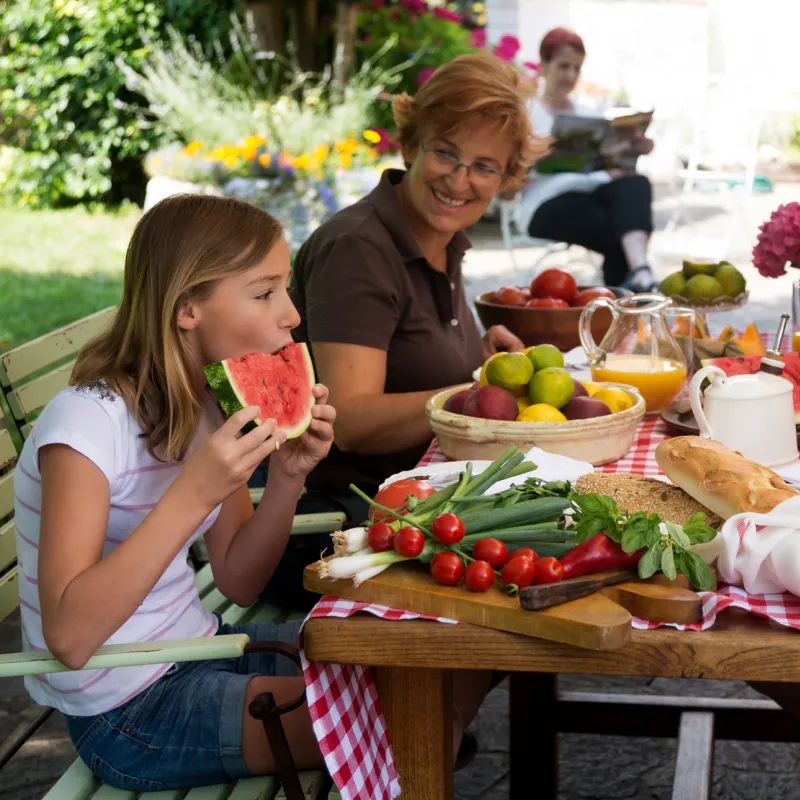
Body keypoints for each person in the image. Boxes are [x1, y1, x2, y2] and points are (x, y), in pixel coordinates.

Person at [13, 194, 337, 791]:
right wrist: (194, 493)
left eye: (283, 289)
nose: (291, 314)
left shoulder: (206, 405)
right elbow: (71, 637)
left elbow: (238, 579)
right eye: (264, 293)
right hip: (128, 712)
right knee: (378, 716)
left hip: (202, 650)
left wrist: (288, 477)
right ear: (187, 308)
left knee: (408, 664)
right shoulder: (85, 428)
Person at [288, 52, 549, 511]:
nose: (460, 179)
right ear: (411, 146)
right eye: (445, 152)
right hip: (363, 512)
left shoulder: (440, 237)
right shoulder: (357, 249)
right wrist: (479, 394)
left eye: (485, 166)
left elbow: (416, 358)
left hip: (442, 491)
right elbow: (349, 421)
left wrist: (484, 363)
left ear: (504, 178)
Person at [516, 27, 658, 291]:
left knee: (637, 184)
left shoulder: (588, 112)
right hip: (544, 202)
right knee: (620, 229)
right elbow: (507, 186)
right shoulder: (526, 113)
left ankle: (638, 274)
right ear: (544, 64)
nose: (570, 75)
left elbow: (603, 163)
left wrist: (632, 148)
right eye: (563, 66)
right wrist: (536, 157)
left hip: (590, 191)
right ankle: (632, 290)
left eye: (577, 68)